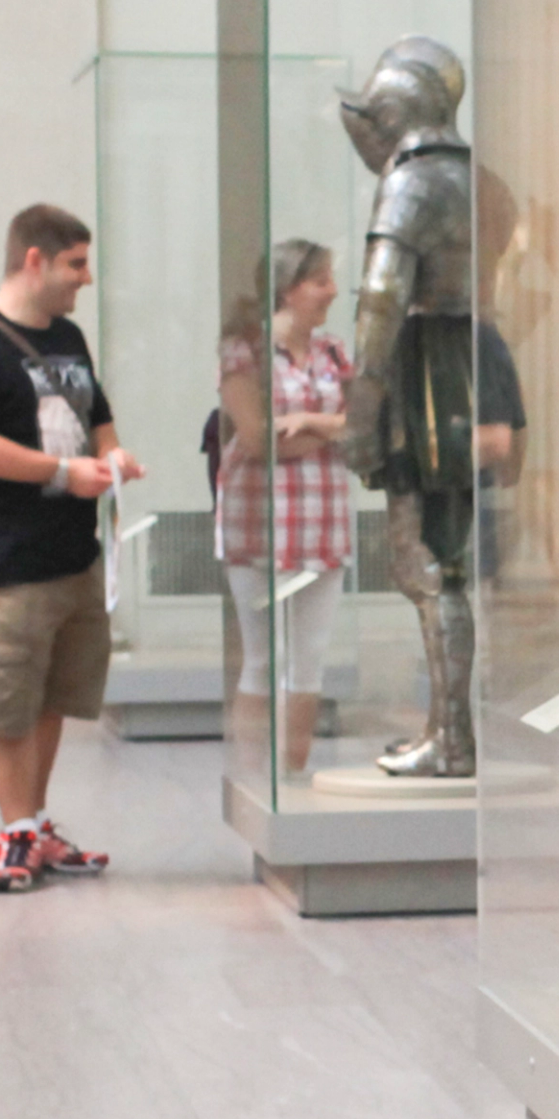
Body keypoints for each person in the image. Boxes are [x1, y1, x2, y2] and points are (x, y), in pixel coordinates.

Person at [0, 202, 140, 892]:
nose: (86, 278)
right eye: (75, 264)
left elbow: (98, 417)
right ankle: (15, 832)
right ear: (34, 261)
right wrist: (61, 473)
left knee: (53, 693)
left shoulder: (69, 337)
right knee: (8, 700)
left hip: (71, 555)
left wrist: (112, 458)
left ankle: (35, 823)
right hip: (5, 563)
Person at [216, 237, 352, 776]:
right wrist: (331, 431)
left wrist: (309, 422)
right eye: (321, 281)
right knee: (261, 660)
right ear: (289, 290)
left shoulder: (334, 351)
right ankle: (254, 781)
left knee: (308, 660)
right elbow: (255, 439)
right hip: (258, 518)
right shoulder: (244, 350)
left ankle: (292, 776)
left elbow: (365, 425)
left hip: (323, 519)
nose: (333, 291)